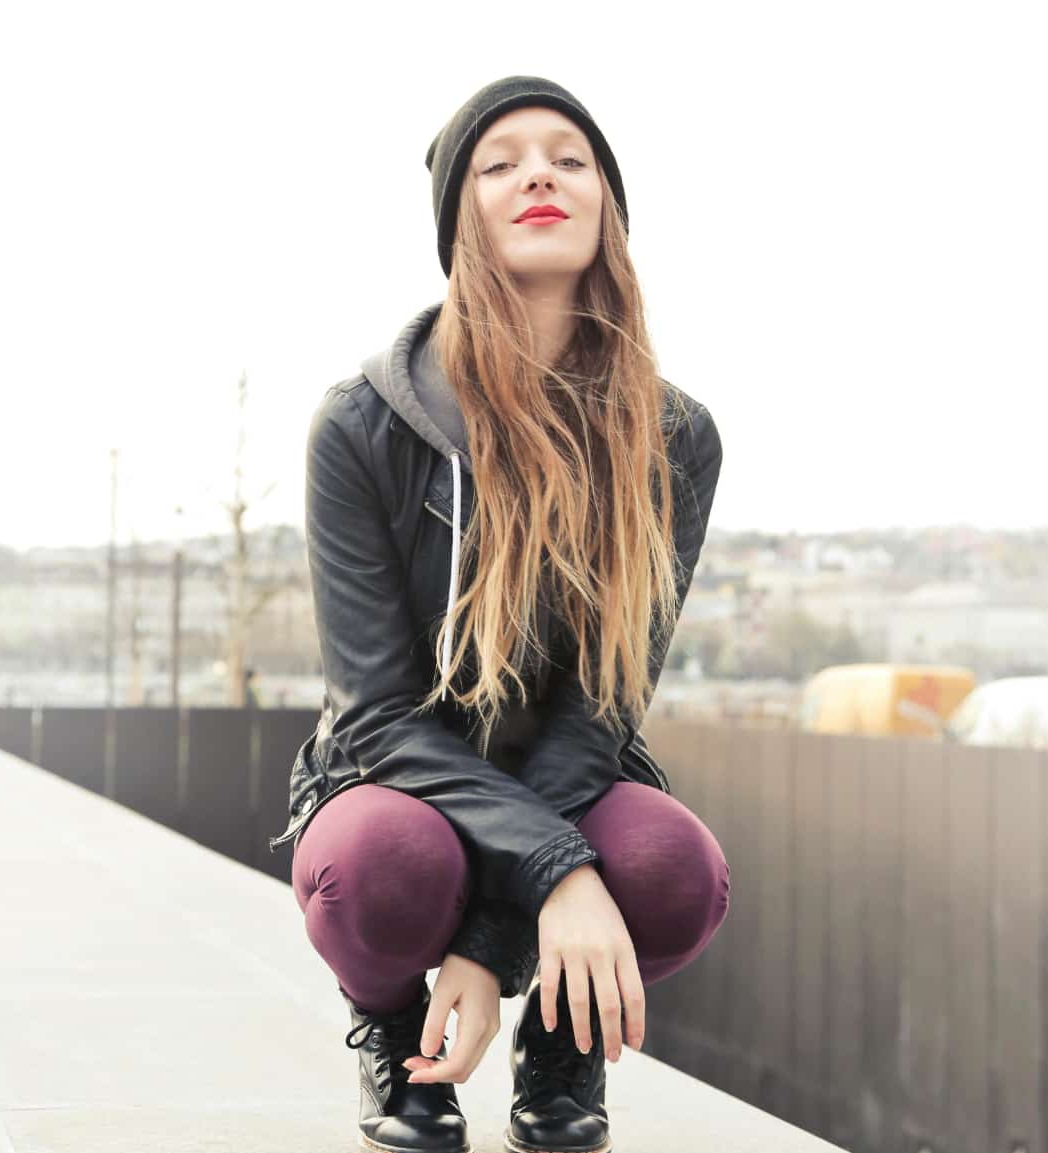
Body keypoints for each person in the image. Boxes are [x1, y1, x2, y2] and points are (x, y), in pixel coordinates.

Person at [267, 76, 730, 1153]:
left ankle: (560, 1041)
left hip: (565, 770)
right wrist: (556, 869)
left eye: (569, 160)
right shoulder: (360, 427)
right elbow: (376, 715)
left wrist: (489, 944)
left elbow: (601, 707)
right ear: (459, 217)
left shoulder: (673, 439)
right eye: (501, 161)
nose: (537, 174)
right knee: (377, 867)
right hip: (401, 783)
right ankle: (393, 1032)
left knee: (674, 871)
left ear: (605, 209)